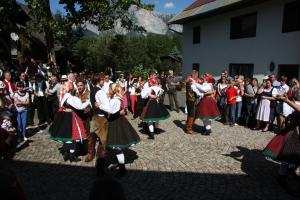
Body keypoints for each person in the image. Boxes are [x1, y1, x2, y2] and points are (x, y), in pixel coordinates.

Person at [263, 88, 300, 191]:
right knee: (287, 156)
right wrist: (287, 101)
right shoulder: (293, 103)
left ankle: (291, 171)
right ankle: (282, 177)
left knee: (295, 157)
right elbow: (287, 116)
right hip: (293, 134)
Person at [48, 82, 89, 162]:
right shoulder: (70, 97)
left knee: (67, 136)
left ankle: (66, 153)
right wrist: (88, 101)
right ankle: (71, 156)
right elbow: (80, 106)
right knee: (73, 136)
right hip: (70, 117)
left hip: (64, 116)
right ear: (71, 89)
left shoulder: (64, 95)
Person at [106, 83, 140, 177]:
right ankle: (119, 164)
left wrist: (101, 106)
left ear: (112, 90)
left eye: (109, 89)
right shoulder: (117, 98)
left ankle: (122, 169)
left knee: (117, 146)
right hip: (118, 121)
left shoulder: (115, 100)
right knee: (117, 146)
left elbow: (111, 112)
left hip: (116, 123)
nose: (108, 91)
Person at [75, 78, 91, 156]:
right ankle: (81, 149)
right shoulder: (76, 93)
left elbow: (89, 106)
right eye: (78, 86)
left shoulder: (88, 93)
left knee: (88, 134)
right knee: (79, 133)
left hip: (86, 117)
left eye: (81, 85)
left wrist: (84, 109)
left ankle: (90, 152)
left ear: (84, 85)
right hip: (78, 117)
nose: (79, 87)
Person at [185, 70, 202, 135]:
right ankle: (189, 129)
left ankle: (187, 127)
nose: (197, 76)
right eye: (197, 75)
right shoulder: (191, 81)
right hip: (191, 100)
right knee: (192, 114)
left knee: (190, 114)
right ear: (194, 75)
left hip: (189, 99)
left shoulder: (189, 80)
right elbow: (196, 90)